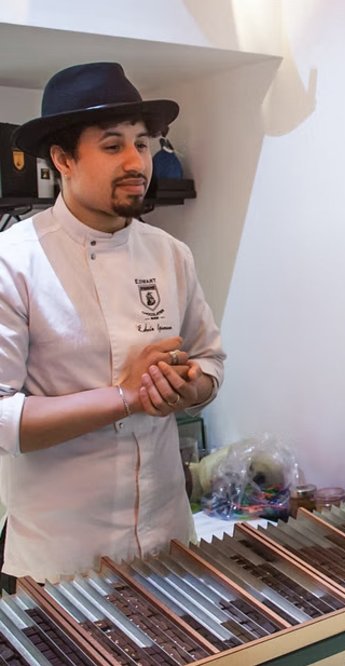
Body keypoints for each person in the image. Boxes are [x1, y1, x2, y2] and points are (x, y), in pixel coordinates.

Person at [0, 62, 226, 585]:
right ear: (63, 160)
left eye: (142, 144)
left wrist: (184, 389)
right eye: (111, 146)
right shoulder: (15, 262)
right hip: (64, 561)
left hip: (168, 541)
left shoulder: (170, 254)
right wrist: (126, 395)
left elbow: (211, 361)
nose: (135, 162)